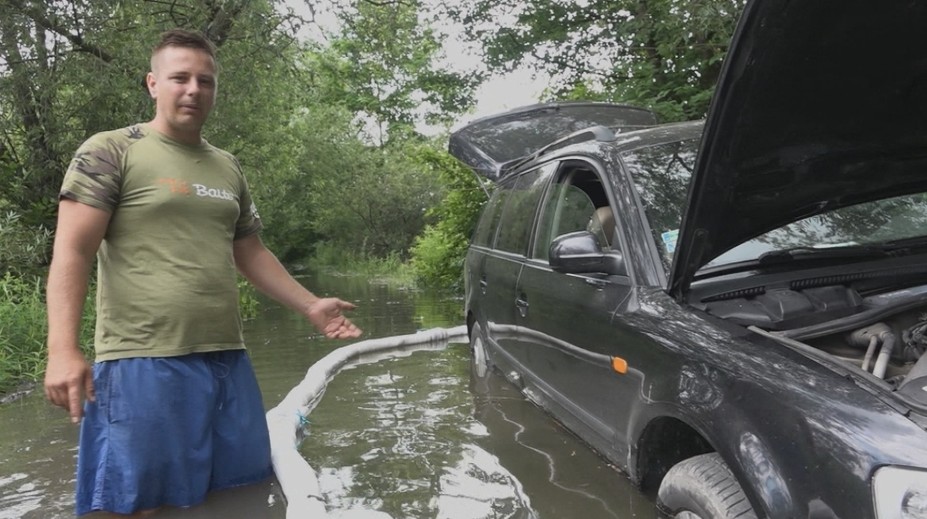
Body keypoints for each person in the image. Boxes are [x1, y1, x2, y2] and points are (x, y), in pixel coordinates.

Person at [43, 28, 362, 517]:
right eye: (180, 78)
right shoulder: (111, 150)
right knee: (137, 504)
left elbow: (250, 251)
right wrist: (62, 349)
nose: (193, 89)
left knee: (237, 491)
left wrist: (311, 305)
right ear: (153, 83)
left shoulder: (226, 166)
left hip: (226, 358)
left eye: (205, 80)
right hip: (142, 359)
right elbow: (72, 251)